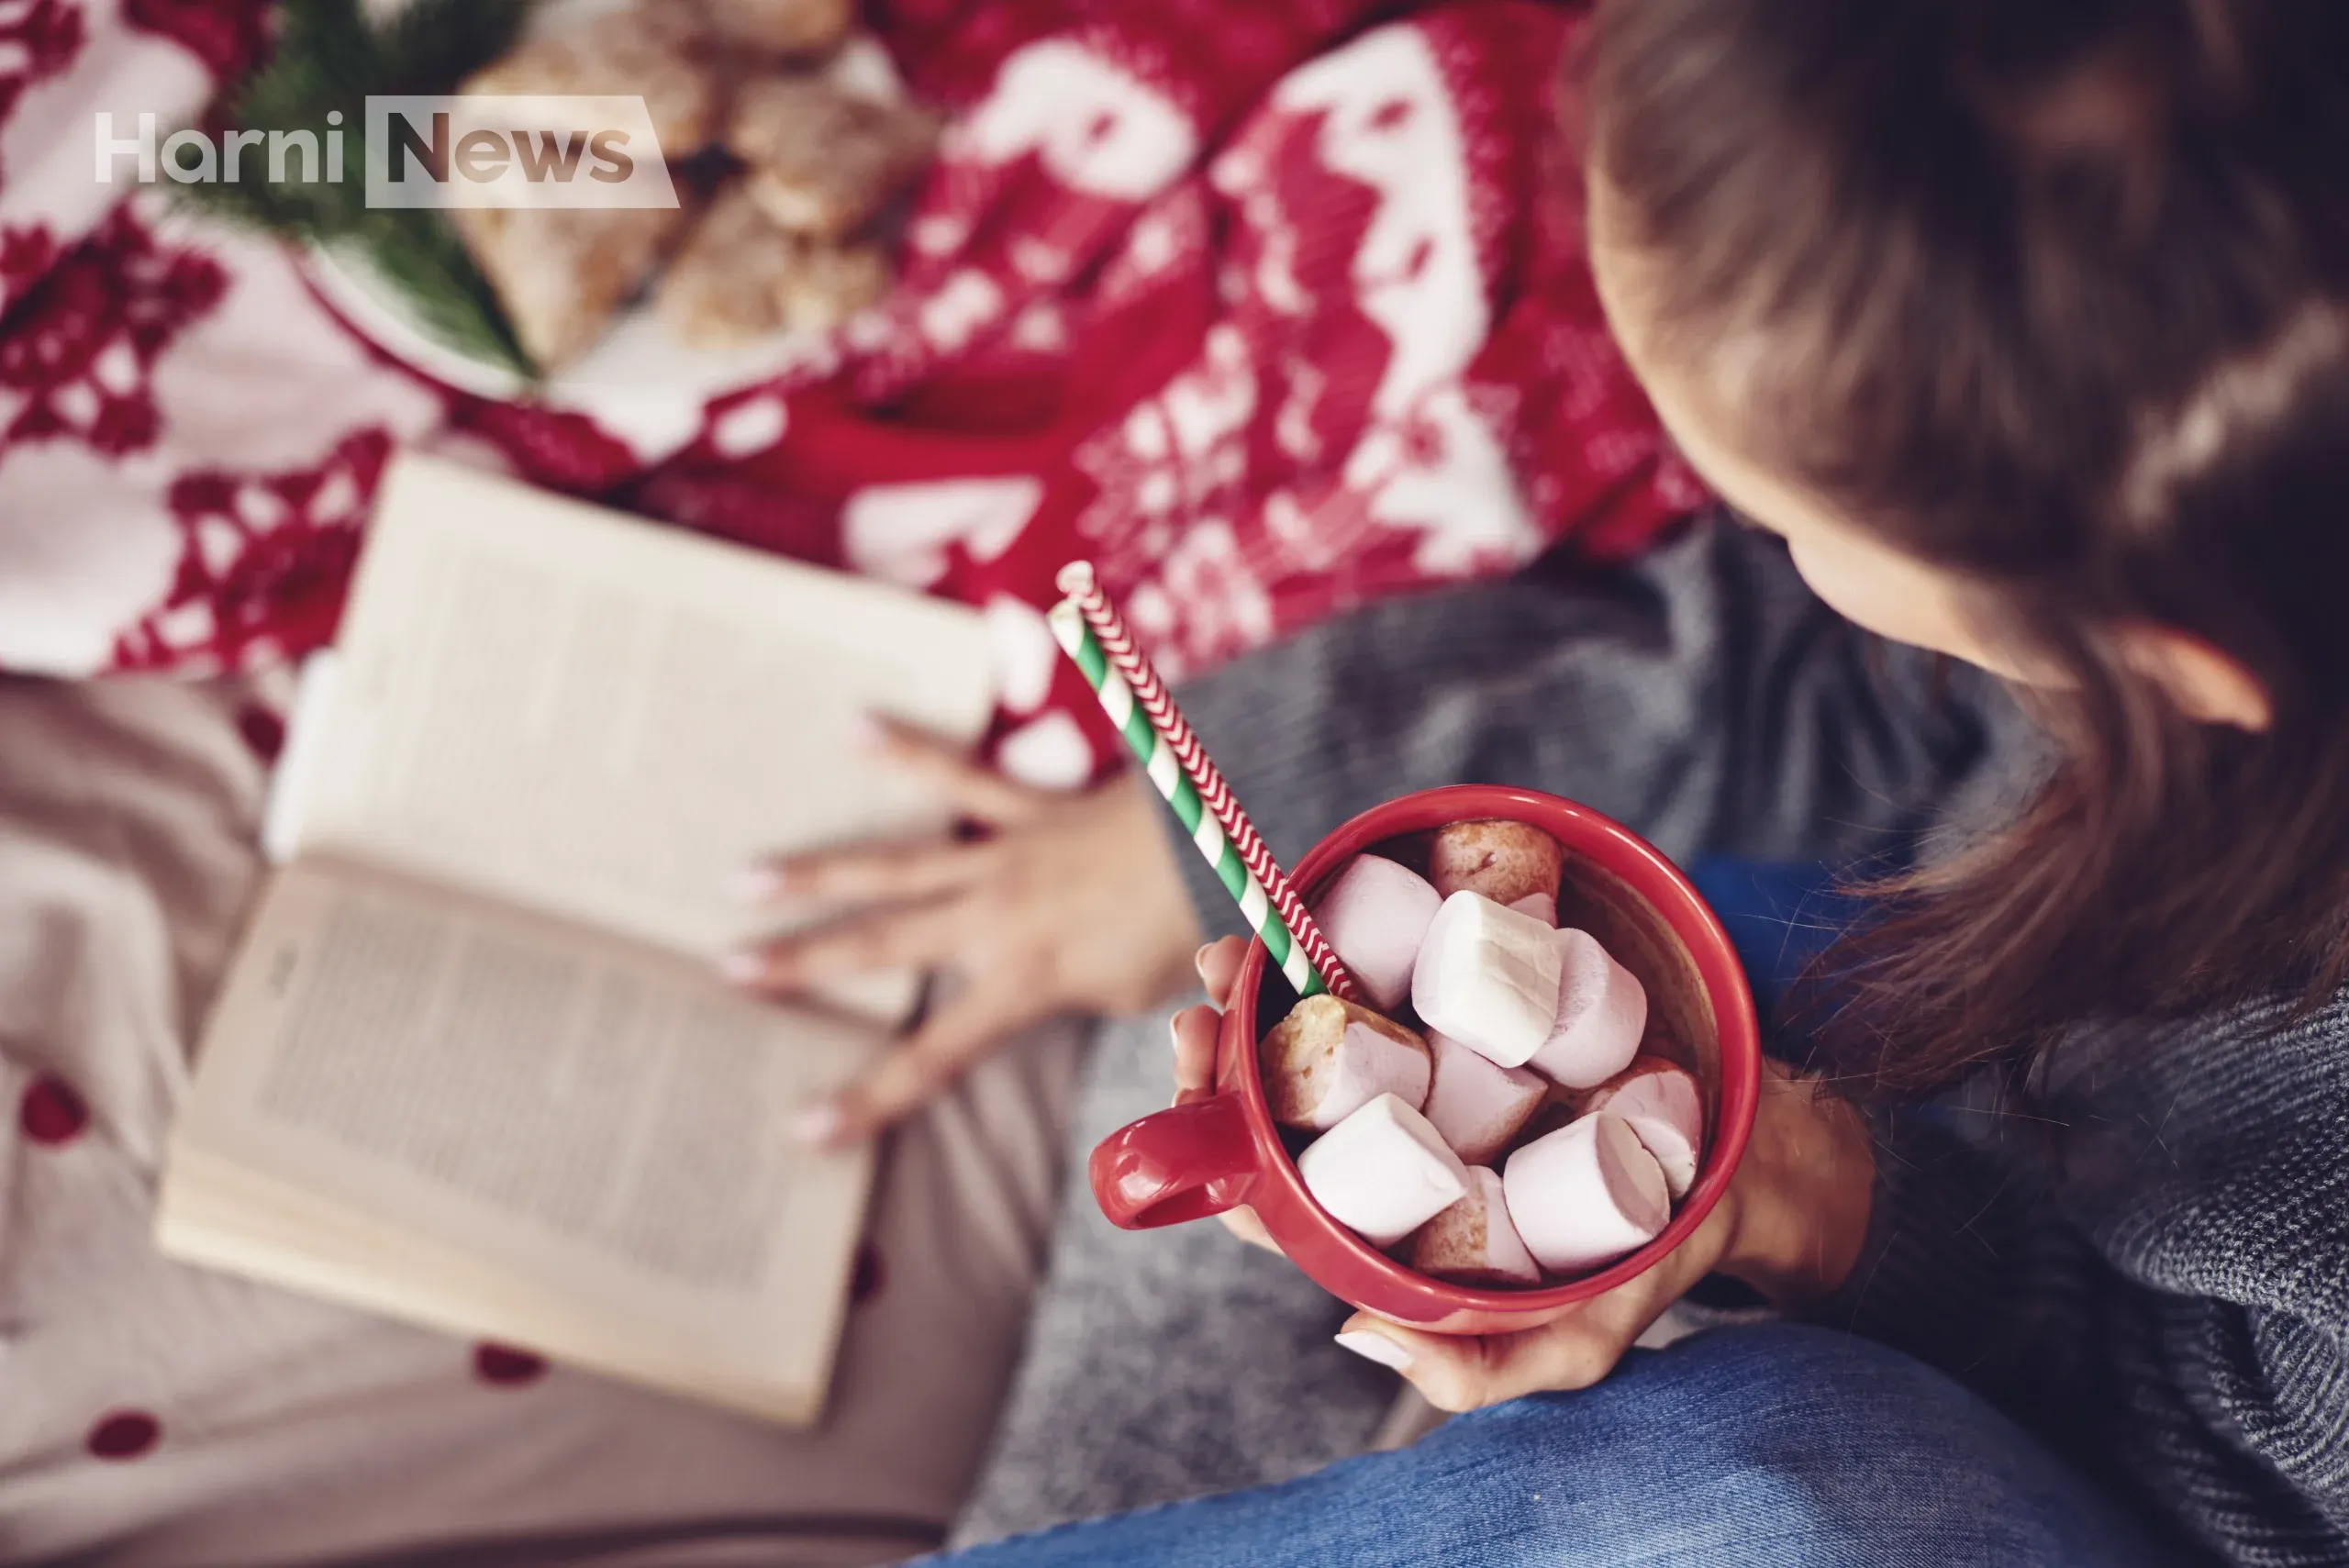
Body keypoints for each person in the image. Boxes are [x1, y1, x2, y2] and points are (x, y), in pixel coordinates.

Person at [734, 0, 2349, 1562]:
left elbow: (2227, 1476)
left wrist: (1845, 1223)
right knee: (1403, 949)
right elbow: (1811, 672)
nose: (1754, 543)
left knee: (1788, 1496)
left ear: (2166, 663)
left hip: (2129, 1451)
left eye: (1788, 518)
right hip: (1992, 1029)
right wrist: (1189, 832)